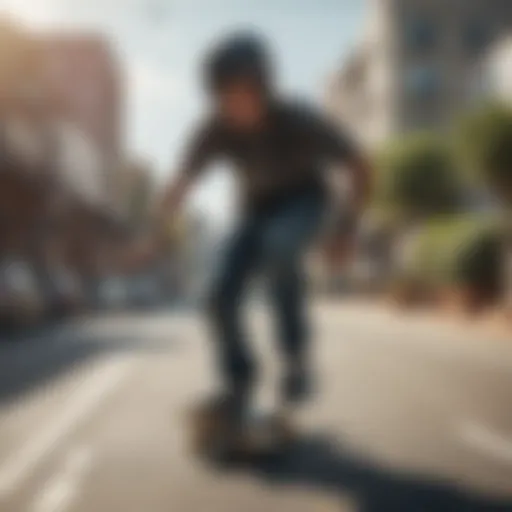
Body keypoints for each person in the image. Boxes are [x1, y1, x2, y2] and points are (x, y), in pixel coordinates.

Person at [153, 32, 371, 424]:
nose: (235, 108)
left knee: (281, 245)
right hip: (253, 210)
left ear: (264, 86)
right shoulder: (214, 129)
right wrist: (162, 220)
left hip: (305, 201)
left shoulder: (301, 120)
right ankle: (238, 382)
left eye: (243, 94)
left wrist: (346, 229)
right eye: (225, 98)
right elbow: (183, 179)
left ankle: (296, 361)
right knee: (216, 294)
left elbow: (359, 165)